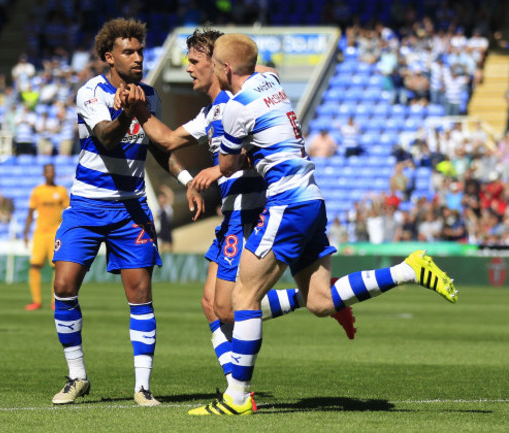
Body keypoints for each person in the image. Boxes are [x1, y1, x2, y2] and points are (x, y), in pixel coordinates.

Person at [188, 33, 458, 416]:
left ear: (226, 68)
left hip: (285, 203)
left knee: (241, 299)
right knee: (318, 301)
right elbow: (260, 68)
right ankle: (407, 270)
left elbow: (228, 166)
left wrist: (220, 165)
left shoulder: (234, 110)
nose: (211, 66)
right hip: (312, 199)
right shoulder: (270, 82)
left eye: (215, 61)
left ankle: (236, 397)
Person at [117, 28, 356, 385]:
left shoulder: (238, 104)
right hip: (234, 210)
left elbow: (246, 152)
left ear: (219, 65)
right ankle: (238, 384)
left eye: (196, 61)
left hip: (252, 209)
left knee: (231, 305)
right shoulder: (214, 109)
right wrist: (138, 109)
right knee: (212, 304)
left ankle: (239, 391)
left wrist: (218, 169)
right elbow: (167, 140)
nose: (189, 68)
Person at [50, 18, 204, 408]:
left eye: (140, 52)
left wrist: (187, 179)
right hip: (86, 206)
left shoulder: (149, 96)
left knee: (140, 296)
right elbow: (105, 136)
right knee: (64, 287)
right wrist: (127, 113)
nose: (138, 59)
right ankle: (77, 376)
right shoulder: (90, 92)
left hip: (131, 210)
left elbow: (159, 149)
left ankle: (142, 387)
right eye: (129, 52)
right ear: (108, 57)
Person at [23, 163, 69, 311]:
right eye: (48, 172)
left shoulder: (61, 191)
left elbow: (68, 212)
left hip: (55, 233)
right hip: (40, 233)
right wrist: (25, 232)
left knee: (56, 266)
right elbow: (30, 213)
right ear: (44, 174)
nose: (50, 174)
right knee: (35, 265)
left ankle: (55, 301)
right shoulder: (38, 191)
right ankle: (36, 301)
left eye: (52, 171)